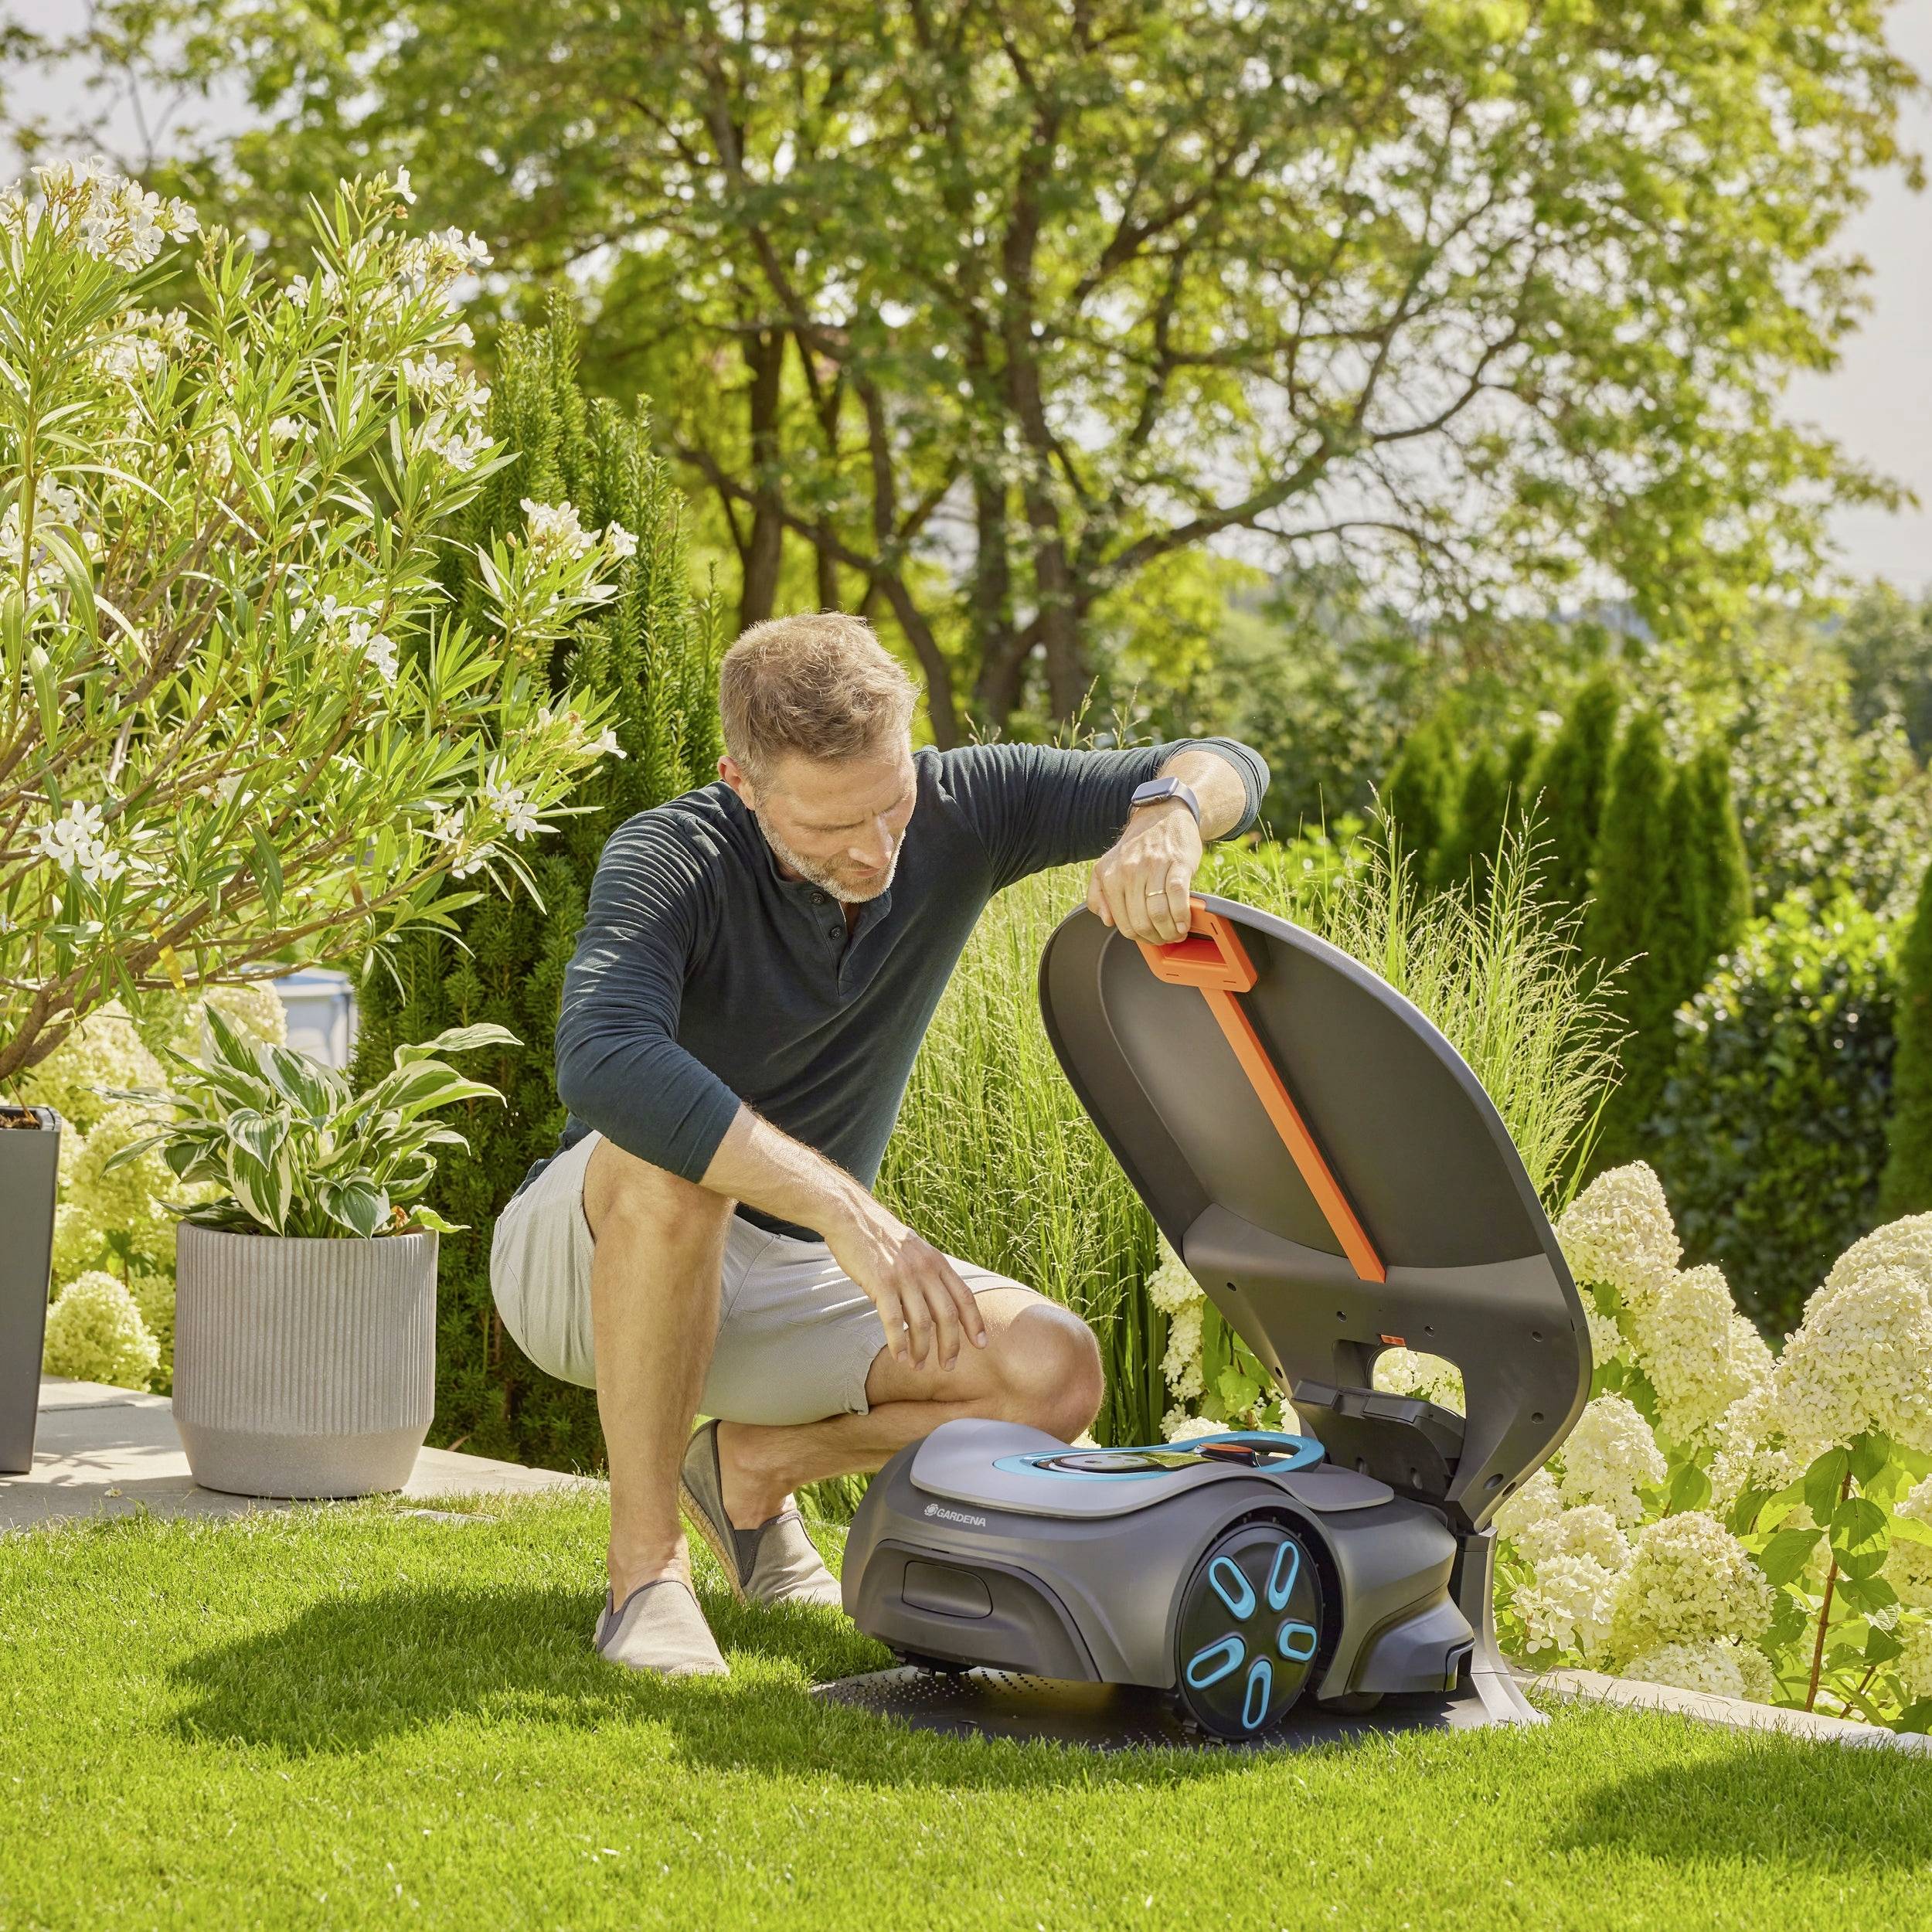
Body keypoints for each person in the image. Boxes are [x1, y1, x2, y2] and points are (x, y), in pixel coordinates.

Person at [488, 612, 1269, 1676]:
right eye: (828, 826)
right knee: (672, 1163)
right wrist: (849, 1213)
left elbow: (1227, 763)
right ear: (744, 781)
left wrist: (1172, 814)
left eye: (890, 804)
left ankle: (753, 1472)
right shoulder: (672, 855)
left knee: (1052, 1373)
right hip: (583, 1264)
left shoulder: (961, 807)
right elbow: (602, 1060)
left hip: (782, 1278)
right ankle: (645, 1577)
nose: (874, 850)